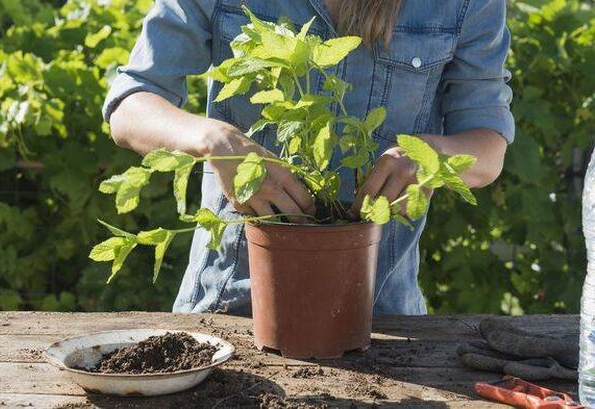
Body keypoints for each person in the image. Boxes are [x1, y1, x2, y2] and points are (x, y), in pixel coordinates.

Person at [103, 0, 514, 316]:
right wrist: (214, 139)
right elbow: (131, 103)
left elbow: (488, 145)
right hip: (228, 309)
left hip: (384, 317)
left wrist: (429, 157)